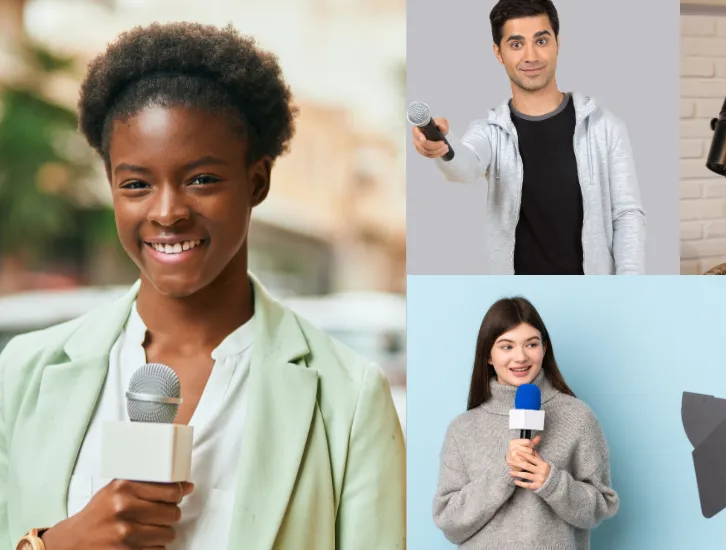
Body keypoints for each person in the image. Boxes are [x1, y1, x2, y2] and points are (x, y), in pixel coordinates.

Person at [0, 22, 405, 550]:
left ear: (256, 181)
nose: (167, 212)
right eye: (136, 184)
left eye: (201, 180)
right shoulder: (23, 374)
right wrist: (55, 545)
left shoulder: (347, 400)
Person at [411, 0, 646, 276]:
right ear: (498, 53)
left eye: (541, 40)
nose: (531, 56)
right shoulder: (491, 131)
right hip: (520, 299)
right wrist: (443, 147)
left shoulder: (604, 127)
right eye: (516, 44)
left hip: (592, 292)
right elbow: (465, 166)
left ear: (557, 43)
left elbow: (627, 214)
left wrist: (630, 287)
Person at [433, 297, 618, 548]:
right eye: (506, 347)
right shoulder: (463, 429)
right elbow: (449, 521)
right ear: (488, 354)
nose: (520, 357)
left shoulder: (578, 417)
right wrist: (505, 472)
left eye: (531, 344)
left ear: (544, 348)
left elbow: (601, 506)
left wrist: (552, 482)